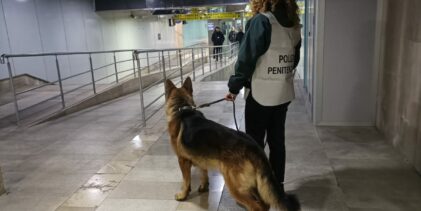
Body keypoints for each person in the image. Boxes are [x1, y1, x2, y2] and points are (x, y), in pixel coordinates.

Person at [225, 0, 302, 191]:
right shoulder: (294, 23)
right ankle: (276, 187)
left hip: (260, 94)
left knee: (254, 144)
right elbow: (294, 59)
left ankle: (256, 190)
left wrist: (234, 86)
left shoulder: (262, 21)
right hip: (282, 93)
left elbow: (246, 58)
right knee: (277, 142)